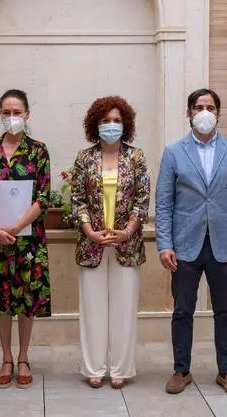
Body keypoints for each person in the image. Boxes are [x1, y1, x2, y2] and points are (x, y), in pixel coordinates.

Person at [156, 88, 227, 396]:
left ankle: (226, 371)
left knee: (225, 311)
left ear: (218, 113)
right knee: (182, 311)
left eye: (210, 108)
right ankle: (181, 370)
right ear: (188, 113)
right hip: (185, 244)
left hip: (225, 244)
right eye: (199, 107)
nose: (204, 113)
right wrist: (164, 244)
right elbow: (163, 203)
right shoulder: (173, 152)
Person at [71, 96, 150, 389]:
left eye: (117, 120)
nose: (111, 125)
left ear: (125, 124)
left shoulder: (136, 157)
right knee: (92, 309)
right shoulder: (84, 158)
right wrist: (89, 231)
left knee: (124, 309)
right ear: (95, 124)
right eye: (106, 121)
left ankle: (120, 368)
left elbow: (142, 200)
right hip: (91, 244)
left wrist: (127, 232)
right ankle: (94, 367)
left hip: (126, 245)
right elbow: (77, 199)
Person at [0, 89, 51, 389]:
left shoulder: (38, 151)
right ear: (0, 114)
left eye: (17, 112)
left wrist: (17, 227)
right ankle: (6, 357)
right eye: (6, 112)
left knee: (26, 298)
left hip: (28, 239)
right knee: (1, 300)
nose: (11, 117)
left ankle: (23, 357)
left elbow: (43, 197)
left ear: (27, 114)